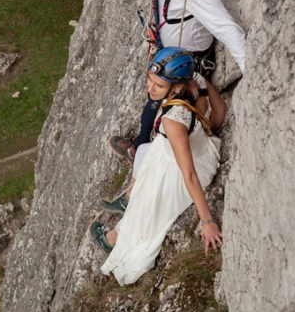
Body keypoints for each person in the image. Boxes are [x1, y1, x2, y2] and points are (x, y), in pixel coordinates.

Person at [109, 0, 245, 166]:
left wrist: (255, 73)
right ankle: (140, 145)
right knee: (153, 100)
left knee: (164, 111)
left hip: (186, 64)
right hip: (170, 54)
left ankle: (146, 157)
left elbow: (227, 29)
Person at [91, 47, 225, 285]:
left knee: (145, 201)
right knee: (144, 168)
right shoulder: (196, 79)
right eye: (149, 80)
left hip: (182, 168)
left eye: (159, 85)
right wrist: (205, 136)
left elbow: (189, 174)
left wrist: (207, 220)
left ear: (177, 87)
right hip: (205, 151)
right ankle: (116, 231)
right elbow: (220, 109)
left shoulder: (174, 119)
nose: (150, 89)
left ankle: (111, 240)